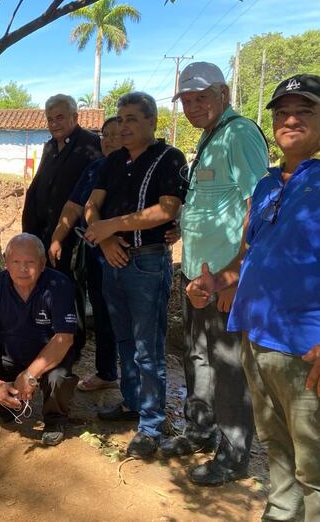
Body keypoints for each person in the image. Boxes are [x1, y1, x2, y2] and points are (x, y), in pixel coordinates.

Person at [187, 74, 320, 520]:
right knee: (277, 450)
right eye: (282, 112)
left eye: (305, 110)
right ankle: (280, 514)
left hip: (307, 347)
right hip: (257, 339)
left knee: (314, 465)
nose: (290, 119)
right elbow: (249, 255)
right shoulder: (266, 186)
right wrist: (219, 283)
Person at [162, 62, 268, 486]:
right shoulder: (210, 136)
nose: (192, 106)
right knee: (198, 357)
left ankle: (233, 455)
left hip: (224, 282)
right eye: (186, 100)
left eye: (201, 97)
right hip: (197, 279)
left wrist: (234, 276)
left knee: (228, 369)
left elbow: (255, 206)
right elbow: (213, 201)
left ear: (224, 93)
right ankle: (199, 431)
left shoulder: (239, 133)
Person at [83, 91, 186, 458]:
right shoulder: (114, 163)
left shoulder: (168, 157)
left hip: (147, 262)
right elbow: (91, 206)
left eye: (132, 119)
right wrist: (105, 238)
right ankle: (130, 403)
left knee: (148, 347)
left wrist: (111, 225)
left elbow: (167, 209)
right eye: (120, 119)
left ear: (152, 122)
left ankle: (152, 426)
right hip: (113, 259)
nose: (124, 126)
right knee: (124, 338)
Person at [0, 233, 78, 446]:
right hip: (11, 354)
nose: (23, 269)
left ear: (42, 263)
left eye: (30, 262)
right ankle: (10, 404)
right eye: (16, 262)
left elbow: (64, 339)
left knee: (59, 378)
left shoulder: (59, 285)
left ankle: (55, 419)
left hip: (49, 355)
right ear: (6, 261)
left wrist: (30, 374)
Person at [48, 116, 121, 392]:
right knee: (101, 313)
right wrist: (57, 238)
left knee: (130, 319)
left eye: (117, 134)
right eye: (106, 135)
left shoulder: (137, 168)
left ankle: (140, 396)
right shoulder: (95, 168)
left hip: (132, 259)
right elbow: (74, 206)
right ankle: (107, 372)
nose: (110, 140)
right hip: (96, 256)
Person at [22, 93, 101, 275]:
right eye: (50, 119)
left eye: (60, 117)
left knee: (68, 288)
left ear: (74, 117)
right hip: (43, 232)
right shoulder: (50, 146)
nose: (54, 124)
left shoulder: (91, 144)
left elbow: (96, 191)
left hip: (73, 236)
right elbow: (39, 183)